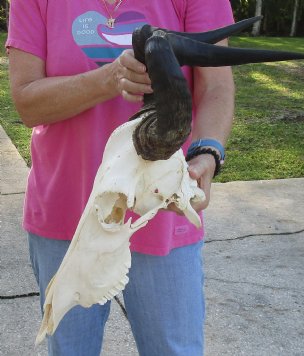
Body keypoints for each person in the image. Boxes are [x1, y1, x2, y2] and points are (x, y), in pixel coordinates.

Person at [6, 0, 235, 355]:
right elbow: (27, 102)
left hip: (160, 211)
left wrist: (206, 151)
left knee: (174, 350)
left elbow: (216, 87)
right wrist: (109, 79)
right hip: (66, 217)